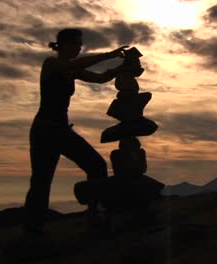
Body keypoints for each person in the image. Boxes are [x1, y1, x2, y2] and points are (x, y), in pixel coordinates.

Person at [23, 28, 128, 234]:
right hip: (45, 131)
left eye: (80, 44)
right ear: (62, 45)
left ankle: (94, 215)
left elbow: (99, 78)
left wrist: (121, 68)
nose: (80, 47)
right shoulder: (51, 64)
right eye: (76, 43)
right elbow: (74, 65)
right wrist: (108, 55)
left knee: (96, 165)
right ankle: (32, 232)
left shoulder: (72, 69)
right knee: (41, 182)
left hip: (60, 130)